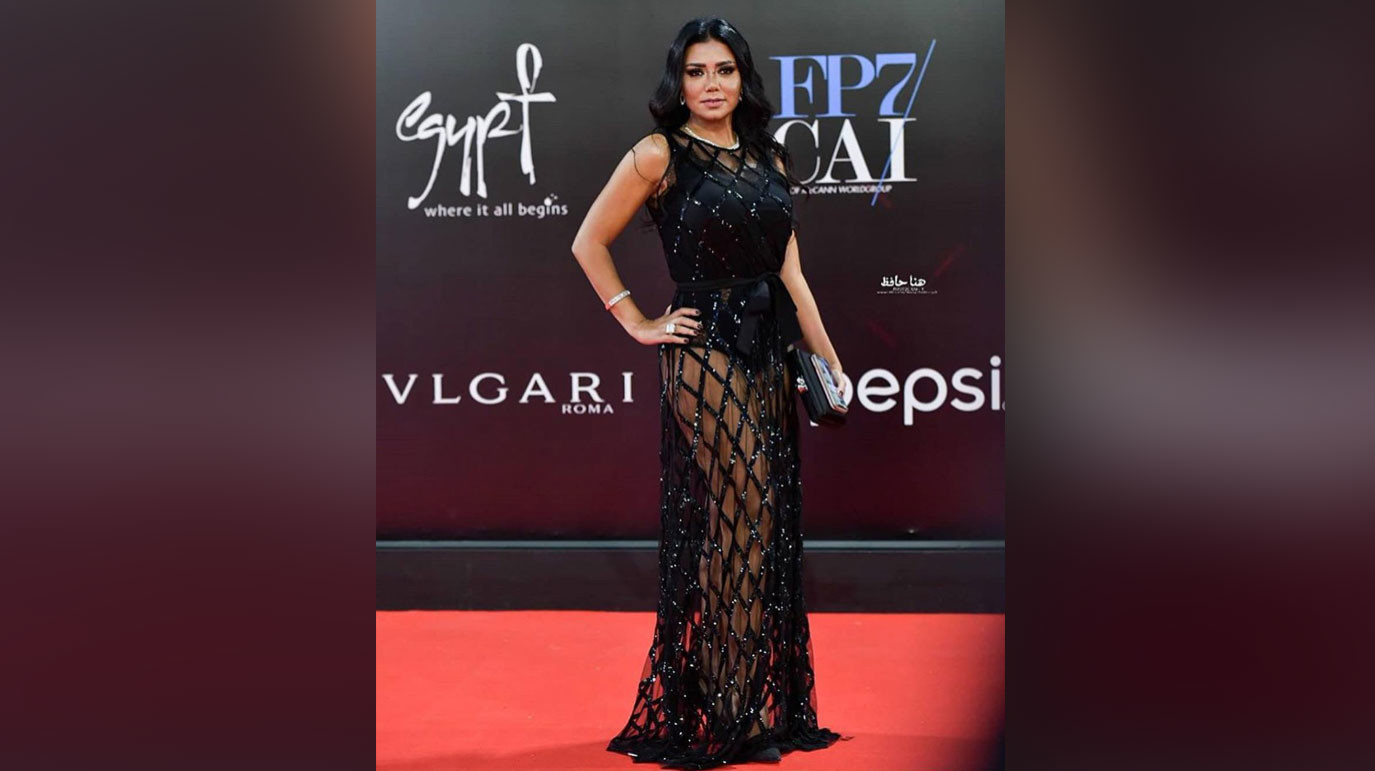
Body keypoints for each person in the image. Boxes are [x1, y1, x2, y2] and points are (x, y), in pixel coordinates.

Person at [570, 16, 852, 769]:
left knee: (755, 525)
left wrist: (829, 360)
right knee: (742, 514)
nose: (711, 84)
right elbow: (588, 241)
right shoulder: (658, 153)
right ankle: (725, 703)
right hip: (702, 354)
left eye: (723, 69)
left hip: (768, 350)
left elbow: (791, 275)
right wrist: (638, 322)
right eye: (695, 72)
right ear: (679, 81)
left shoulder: (769, 156)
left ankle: (737, 695)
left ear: (742, 77)